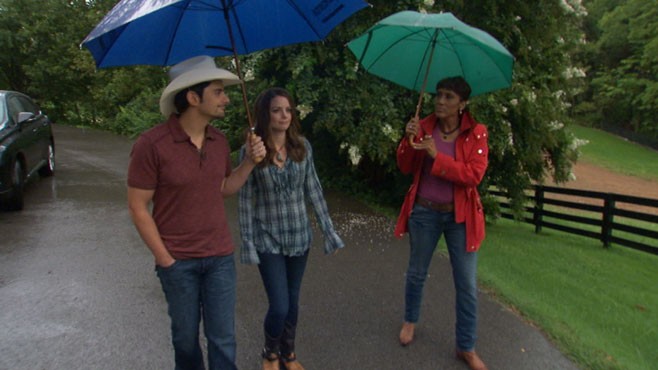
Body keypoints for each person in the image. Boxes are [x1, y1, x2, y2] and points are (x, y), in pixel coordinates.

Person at [127, 55, 266, 370]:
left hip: (219, 257)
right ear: (193, 97)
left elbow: (223, 188)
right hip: (178, 262)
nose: (226, 99)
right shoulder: (152, 144)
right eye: (218, 91)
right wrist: (166, 260)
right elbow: (138, 207)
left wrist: (249, 163)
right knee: (185, 339)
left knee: (223, 339)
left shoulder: (218, 142)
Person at [238, 87, 344, 370]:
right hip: (268, 239)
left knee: (293, 303)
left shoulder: (302, 147)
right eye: (276, 110)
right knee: (280, 304)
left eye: (288, 110)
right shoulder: (251, 152)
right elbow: (246, 200)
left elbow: (315, 191)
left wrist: (328, 231)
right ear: (265, 114)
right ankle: (269, 353)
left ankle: (289, 354)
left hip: (299, 237)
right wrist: (247, 241)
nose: (284, 115)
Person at [394, 76, 489, 370]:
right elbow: (405, 166)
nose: (440, 101)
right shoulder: (423, 127)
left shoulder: (477, 134)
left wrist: (437, 157)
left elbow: (473, 175)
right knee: (416, 273)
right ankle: (410, 321)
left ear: (463, 104)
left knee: (466, 284)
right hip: (424, 212)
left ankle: (466, 346)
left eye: (448, 96)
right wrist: (408, 142)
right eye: (438, 95)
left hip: (460, 217)